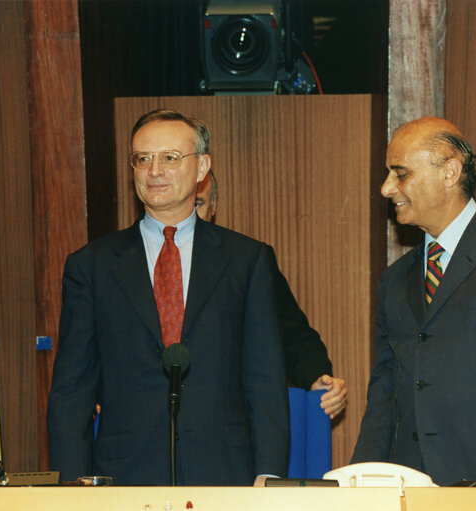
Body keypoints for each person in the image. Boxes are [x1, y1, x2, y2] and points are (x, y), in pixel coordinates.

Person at [49, 109, 295, 485]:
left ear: (202, 168)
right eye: (142, 159)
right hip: (124, 475)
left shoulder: (247, 260)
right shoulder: (91, 266)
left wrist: (270, 472)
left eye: (170, 158)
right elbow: (72, 388)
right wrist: (70, 483)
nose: (154, 171)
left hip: (225, 472)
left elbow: (265, 379)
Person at [351, 116, 476, 487]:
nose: (386, 188)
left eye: (400, 174)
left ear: (449, 172)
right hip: (410, 488)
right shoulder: (394, 281)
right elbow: (384, 395)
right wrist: (363, 476)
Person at [194, 172, 348, 417]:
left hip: (226, 421)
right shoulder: (122, 261)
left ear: (214, 206)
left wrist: (317, 379)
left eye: (197, 204)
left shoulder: (245, 262)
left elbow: (293, 336)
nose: (188, 213)